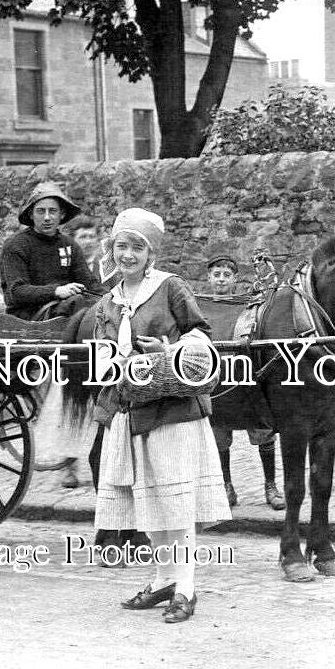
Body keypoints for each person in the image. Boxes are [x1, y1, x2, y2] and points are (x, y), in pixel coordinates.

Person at [92, 209, 230, 623]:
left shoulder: (170, 287)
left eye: (137, 247)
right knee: (147, 502)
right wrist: (112, 359)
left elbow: (201, 335)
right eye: (122, 246)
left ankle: (185, 588)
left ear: (150, 253)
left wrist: (167, 351)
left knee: (175, 503)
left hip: (174, 410)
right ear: (111, 249)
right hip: (131, 409)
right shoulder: (108, 302)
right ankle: (163, 579)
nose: (128, 255)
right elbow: (102, 357)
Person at [203, 254, 283, 509]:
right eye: (217, 275)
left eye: (227, 275)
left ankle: (270, 486)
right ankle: (226, 486)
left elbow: (269, 297)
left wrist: (267, 276)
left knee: (263, 430)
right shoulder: (200, 308)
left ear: (235, 279)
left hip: (245, 378)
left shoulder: (247, 305)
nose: (222, 280)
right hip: (215, 383)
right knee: (218, 435)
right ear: (209, 278)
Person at [0, 182, 104, 321]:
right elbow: (17, 291)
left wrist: (115, 298)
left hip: (66, 308)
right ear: (31, 214)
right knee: (78, 302)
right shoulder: (16, 245)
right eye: (41, 211)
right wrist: (56, 291)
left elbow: (90, 284)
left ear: (62, 214)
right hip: (28, 319)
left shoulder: (69, 245)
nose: (47, 217)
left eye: (52, 211)